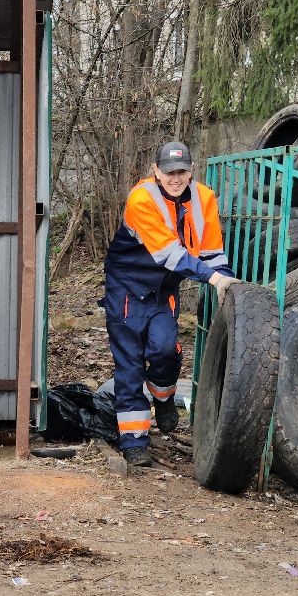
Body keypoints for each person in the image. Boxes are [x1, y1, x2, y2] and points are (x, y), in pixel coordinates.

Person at [103, 140, 234, 466]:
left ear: (191, 172)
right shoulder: (141, 198)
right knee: (129, 364)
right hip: (127, 290)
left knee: (165, 349)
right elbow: (169, 254)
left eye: (182, 171)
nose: (176, 178)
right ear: (156, 172)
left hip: (163, 292)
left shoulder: (204, 199)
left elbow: (213, 251)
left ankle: (164, 398)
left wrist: (227, 283)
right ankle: (134, 442)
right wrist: (212, 279)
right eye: (169, 172)